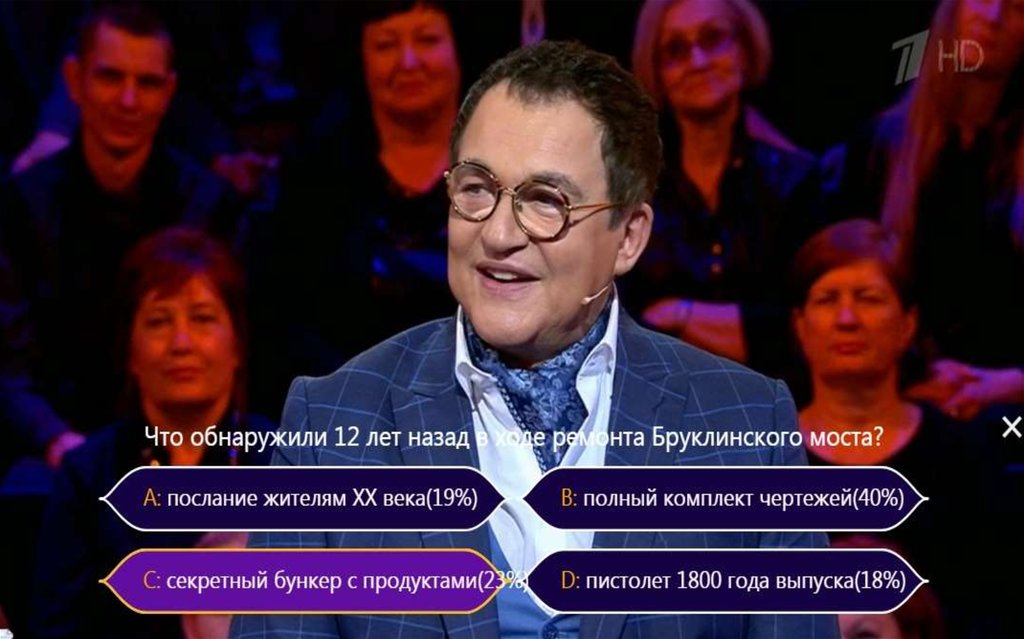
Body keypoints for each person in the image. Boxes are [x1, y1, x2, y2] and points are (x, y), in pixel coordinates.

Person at [232, 40, 837, 639]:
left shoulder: (747, 426)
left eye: (546, 201)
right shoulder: (333, 423)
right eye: (476, 189)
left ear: (628, 237)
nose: (498, 235)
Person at [0, 3, 242, 469]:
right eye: (111, 78)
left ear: (169, 93)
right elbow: (8, 362)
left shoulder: (211, 207)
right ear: (74, 81)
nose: (128, 101)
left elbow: (229, 351)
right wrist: (55, 440)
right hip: (52, 451)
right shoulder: (20, 206)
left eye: (147, 83)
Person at [28, 227, 273, 639]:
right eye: (159, 322)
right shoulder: (88, 476)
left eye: (203, 318)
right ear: (131, 352)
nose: (181, 343)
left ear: (237, 346)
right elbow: (54, 627)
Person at [790, 219, 1002, 638]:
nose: (847, 318)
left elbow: (999, 605)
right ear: (800, 326)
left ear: (908, 323)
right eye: (827, 299)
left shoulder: (965, 454)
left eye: (869, 299)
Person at [253, 0, 462, 411]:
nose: (408, 62)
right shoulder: (314, 176)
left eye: (427, 40)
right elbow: (286, 322)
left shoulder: (509, 166)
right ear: (361, 60)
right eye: (386, 45)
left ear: (458, 49)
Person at [822, 0, 1024, 421]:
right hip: (900, 400)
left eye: (1017, 7)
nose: (992, 17)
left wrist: (1007, 384)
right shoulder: (880, 147)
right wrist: (912, 377)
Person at [624, 0, 822, 378]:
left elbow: (806, 324)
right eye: (676, 50)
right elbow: (622, 325)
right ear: (657, 71)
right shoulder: (632, 189)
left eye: (713, 39)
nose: (697, 62)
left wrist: (680, 314)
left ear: (744, 51)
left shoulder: (798, 182)